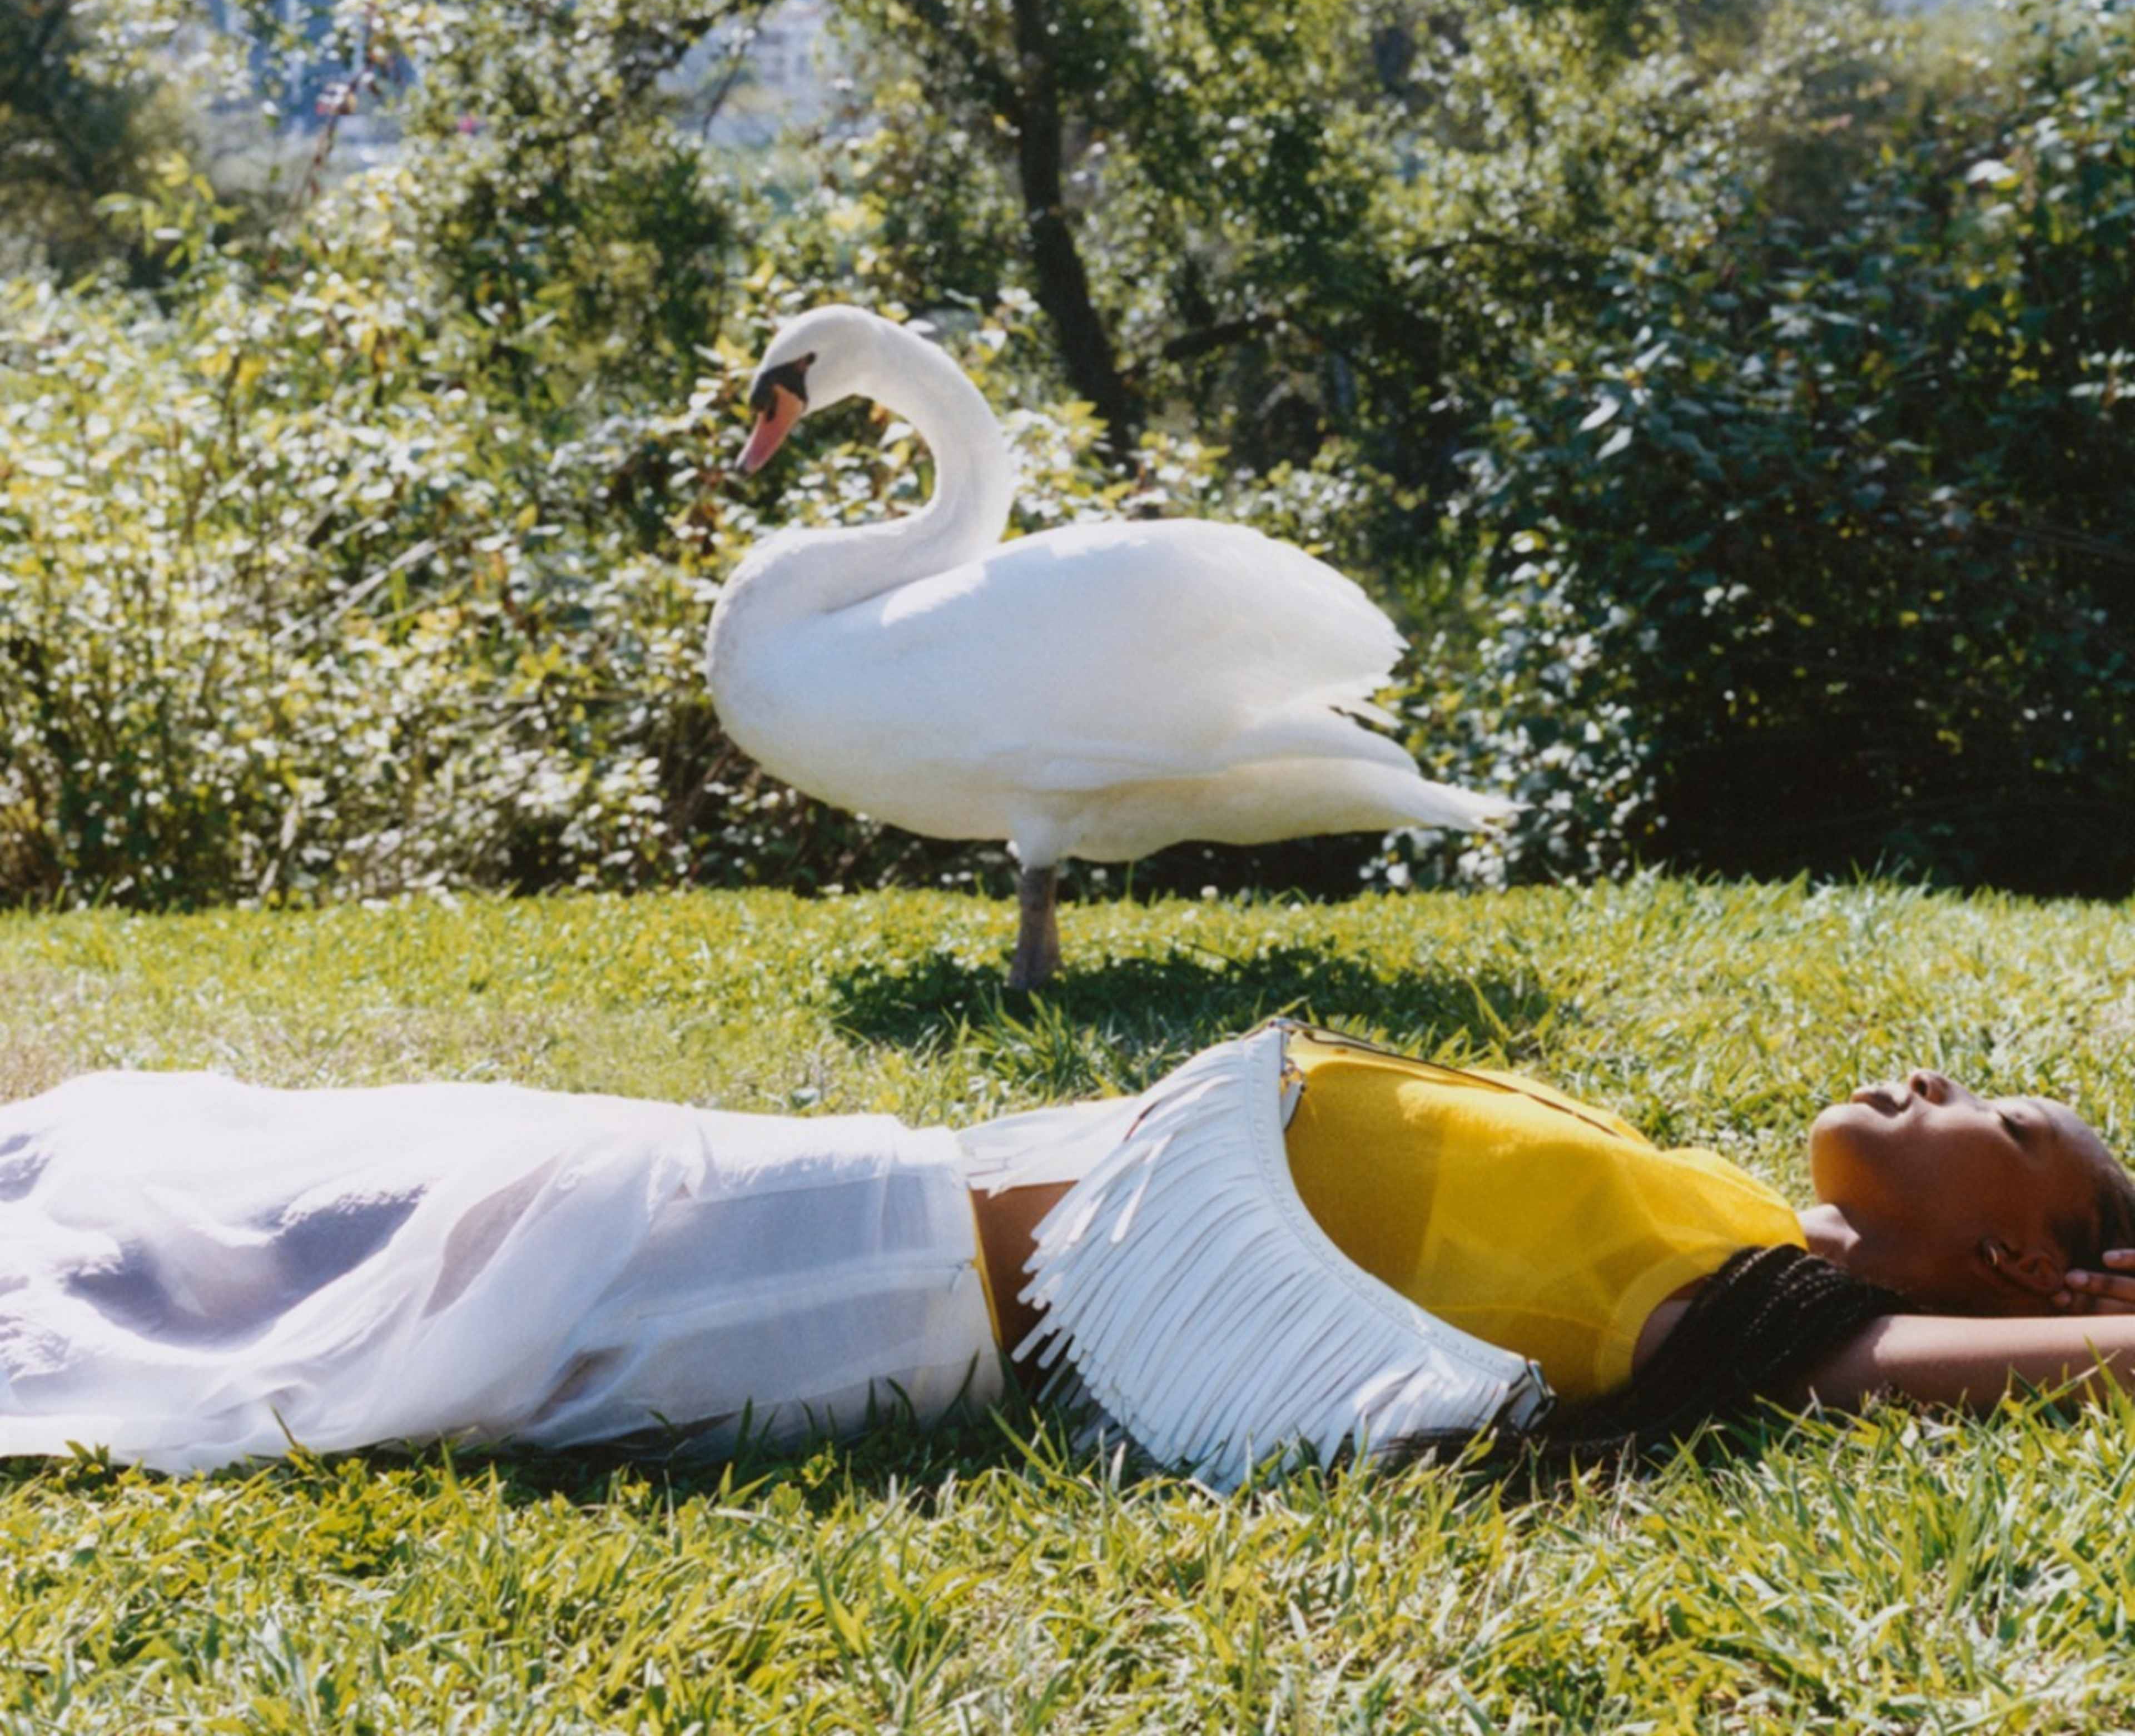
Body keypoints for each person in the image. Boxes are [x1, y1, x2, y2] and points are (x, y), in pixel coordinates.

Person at [2, 1023, 2133, 1478]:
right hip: (891, 1181)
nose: (1943, 1082)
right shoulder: (1731, 1213)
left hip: (875, 1280)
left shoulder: (1761, 1315)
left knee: (340, 1279)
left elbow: (1953, 1375)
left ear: (2031, 1268)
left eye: (2011, 1125)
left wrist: (2104, 1328)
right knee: (295, 1196)